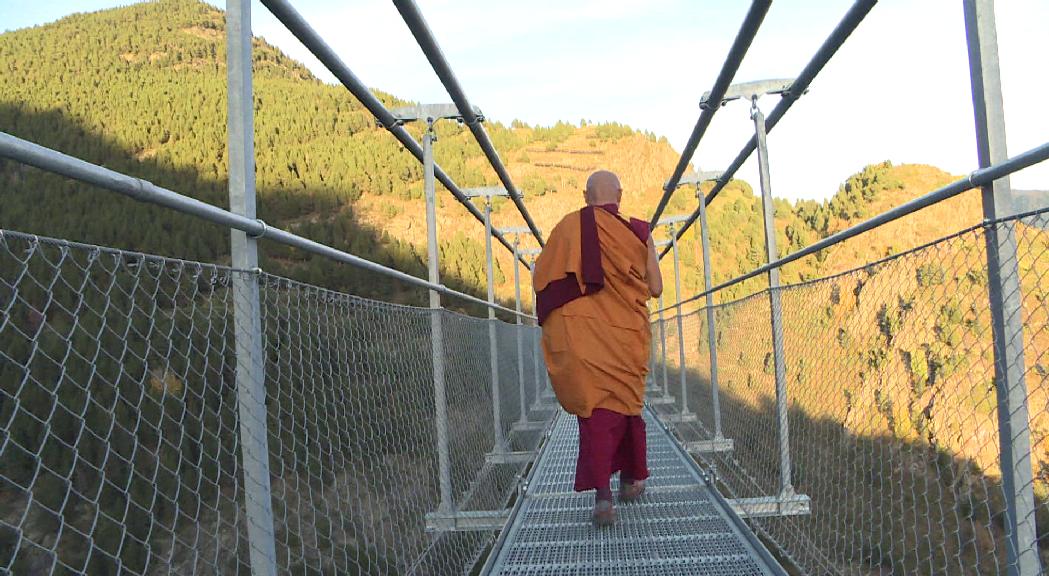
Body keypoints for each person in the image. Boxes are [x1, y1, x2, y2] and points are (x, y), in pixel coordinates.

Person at [533, 169, 663, 526]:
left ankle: (603, 499)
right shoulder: (639, 233)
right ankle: (629, 482)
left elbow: (543, 277)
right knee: (626, 409)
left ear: (585, 195)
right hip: (628, 338)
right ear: (619, 195)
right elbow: (655, 287)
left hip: (588, 341)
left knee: (596, 414)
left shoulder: (567, 228)